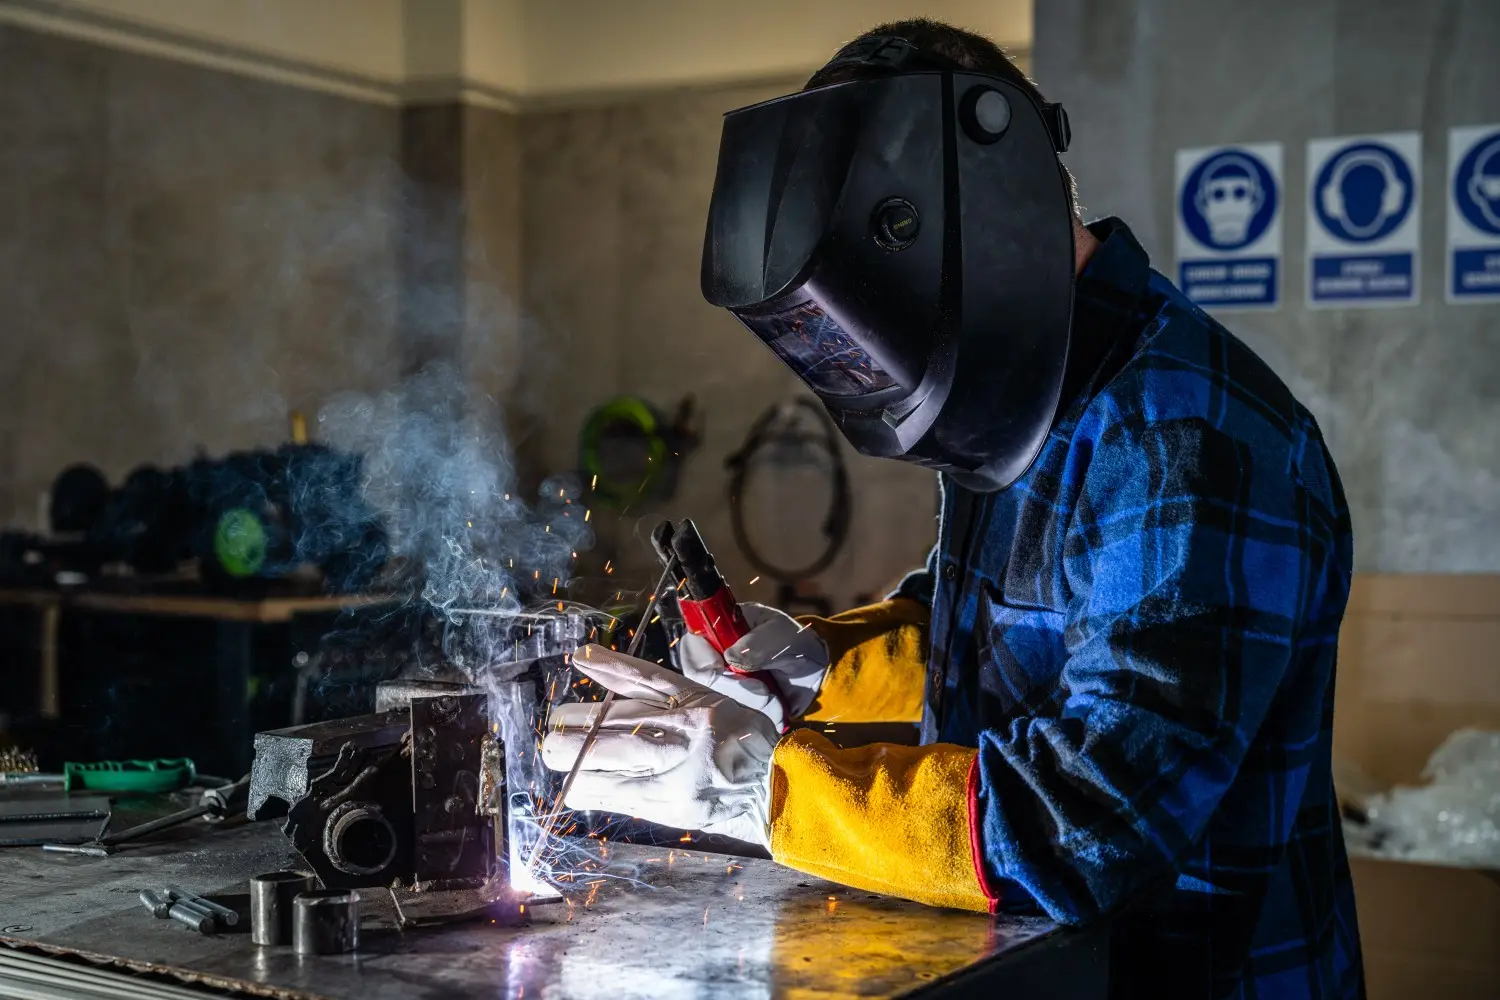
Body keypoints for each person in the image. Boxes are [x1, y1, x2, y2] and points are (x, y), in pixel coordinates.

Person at [543, 18, 1363, 999]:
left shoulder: (1179, 438)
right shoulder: (1035, 390)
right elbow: (988, 628)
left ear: (977, 211)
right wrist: (821, 668)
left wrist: (767, 788)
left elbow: (1089, 822)